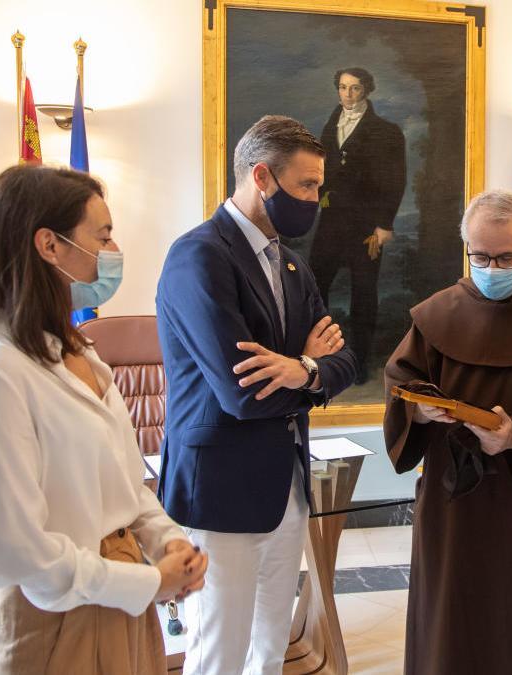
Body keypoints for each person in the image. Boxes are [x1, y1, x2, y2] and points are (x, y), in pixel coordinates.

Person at [0, 164, 207, 675]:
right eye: (102, 237)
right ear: (49, 245)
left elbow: (126, 486)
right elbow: (15, 550)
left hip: (123, 606)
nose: (112, 253)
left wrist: (167, 540)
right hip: (56, 620)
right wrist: (149, 583)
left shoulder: (81, 352)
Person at [156, 115, 358, 675]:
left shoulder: (291, 261)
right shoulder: (199, 256)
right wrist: (310, 369)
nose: (316, 199)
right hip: (220, 488)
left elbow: (345, 360)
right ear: (262, 177)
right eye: (307, 186)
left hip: (284, 485)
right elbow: (241, 393)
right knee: (219, 652)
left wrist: (301, 369)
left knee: (268, 648)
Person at [383, 189, 512, 675]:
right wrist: (419, 412)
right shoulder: (437, 313)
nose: (492, 267)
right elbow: (400, 381)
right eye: (481, 256)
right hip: (450, 500)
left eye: (505, 257)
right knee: (447, 621)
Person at [310, 66, 407, 383]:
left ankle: (359, 364)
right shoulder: (330, 124)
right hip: (331, 224)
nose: (347, 94)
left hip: (367, 228)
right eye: (342, 87)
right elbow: (323, 174)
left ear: (366, 90)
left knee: (363, 294)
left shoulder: (387, 131)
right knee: (314, 287)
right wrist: (319, 203)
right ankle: (321, 357)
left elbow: (395, 181)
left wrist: (384, 224)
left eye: (354, 88)